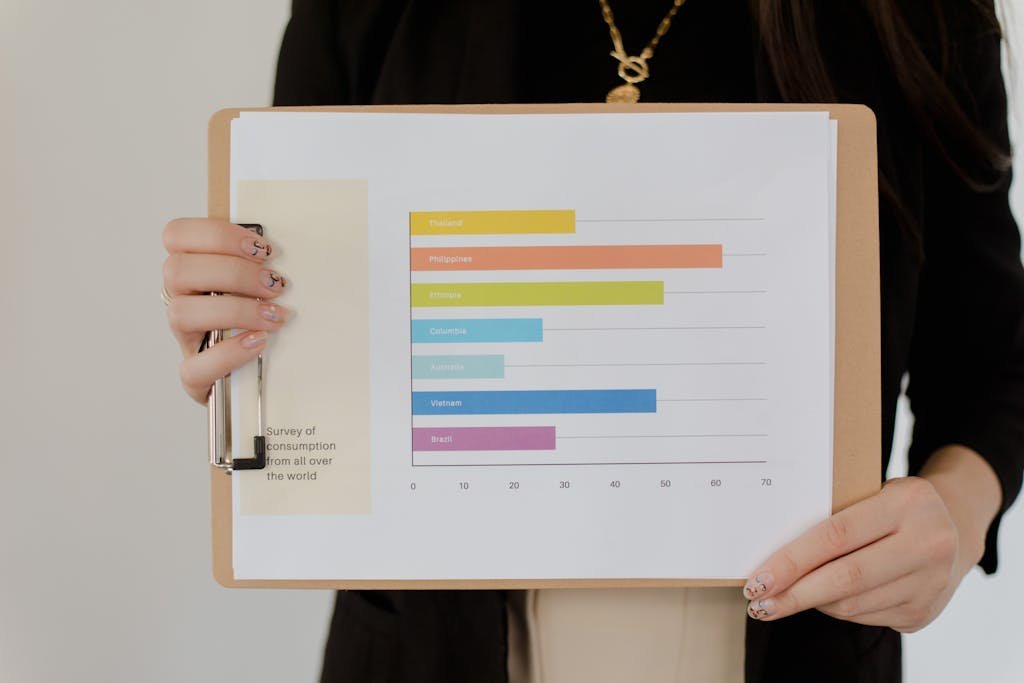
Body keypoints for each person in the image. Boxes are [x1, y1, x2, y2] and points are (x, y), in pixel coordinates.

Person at [161, 1, 1024, 681]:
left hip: (797, 641)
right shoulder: (370, 6)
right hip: (437, 649)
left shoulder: (918, 10)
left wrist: (958, 506)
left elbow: (992, 356)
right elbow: (298, 300)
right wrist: (243, 341)